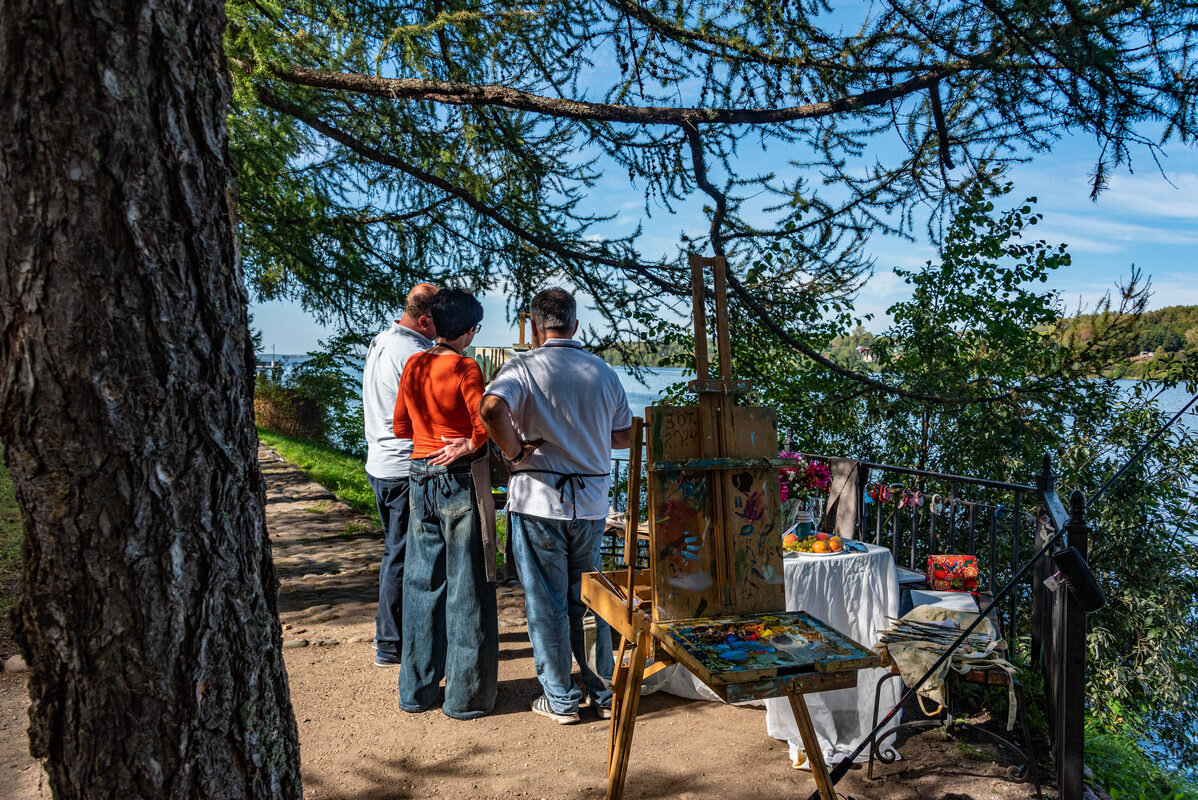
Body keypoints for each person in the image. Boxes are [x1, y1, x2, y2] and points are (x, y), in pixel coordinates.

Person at [479, 288, 632, 724]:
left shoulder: (524, 368)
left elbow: (490, 408)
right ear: (576, 325)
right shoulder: (602, 372)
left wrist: (512, 452)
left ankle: (562, 698)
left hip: (538, 500)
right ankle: (601, 691)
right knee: (590, 600)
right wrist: (586, 434)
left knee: (545, 601)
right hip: (590, 503)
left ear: (533, 325)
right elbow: (623, 436)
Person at [393, 288, 498, 719]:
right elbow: (485, 420)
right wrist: (467, 442)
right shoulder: (465, 366)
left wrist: (430, 437)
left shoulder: (414, 364)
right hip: (457, 481)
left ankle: (416, 691)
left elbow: (401, 427)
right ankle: (465, 698)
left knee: (421, 584)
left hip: (419, 476)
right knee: (468, 586)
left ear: (434, 323)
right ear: (470, 331)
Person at [361, 283, 439, 668]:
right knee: (403, 554)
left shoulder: (383, 340)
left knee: (396, 550)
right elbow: (430, 414)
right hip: (401, 463)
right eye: (437, 322)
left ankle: (396, 635)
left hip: (379, 458)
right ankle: (390, 643)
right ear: (424, 320)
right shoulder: (414, 353)